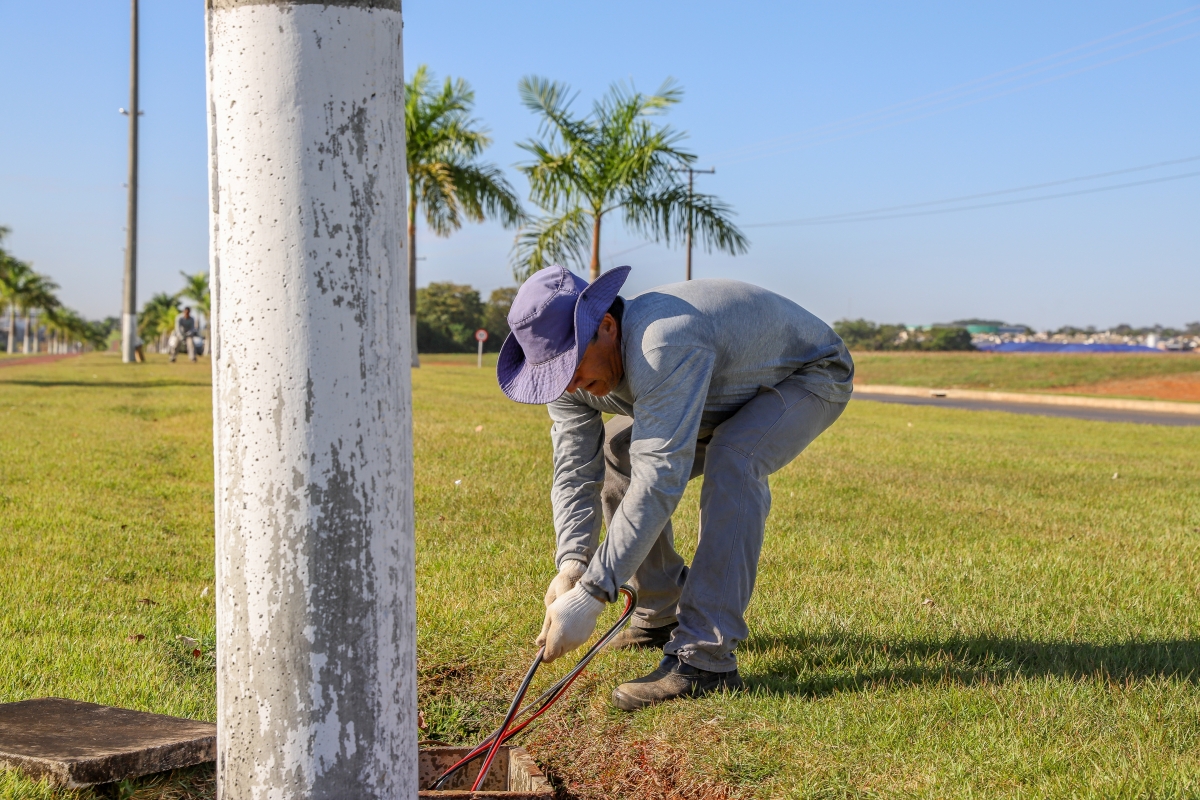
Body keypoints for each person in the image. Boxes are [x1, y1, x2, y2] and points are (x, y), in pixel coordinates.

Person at [496, 265, 854, 710]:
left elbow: (658, 479)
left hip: (808, 375)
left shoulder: (662, 344)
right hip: (719, 387)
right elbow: (574, 469)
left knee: (735, 458)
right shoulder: (568, 380)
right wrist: (572, 563)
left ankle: (705, 659)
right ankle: (659, 612)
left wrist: (593, 593)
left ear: (606, 326)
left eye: (570, 367)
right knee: (616, 454)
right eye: (553, 374)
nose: (567, 384)